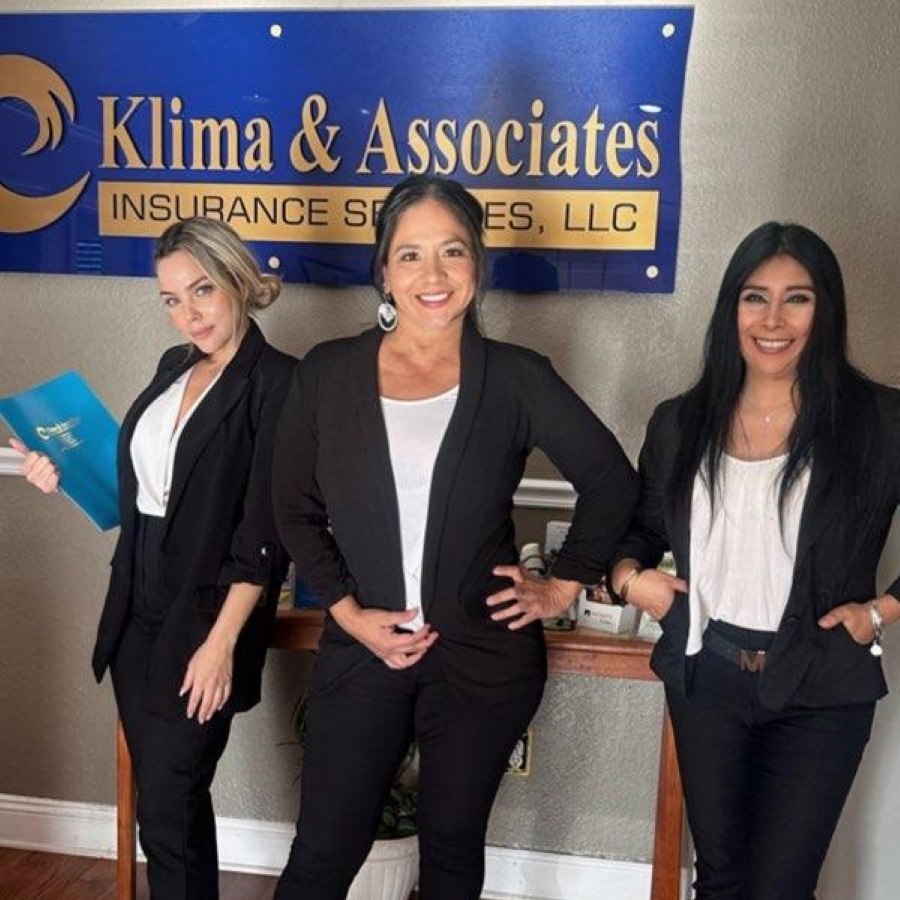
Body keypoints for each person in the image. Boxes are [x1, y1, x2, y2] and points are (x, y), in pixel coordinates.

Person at [270, 175, 638, 900]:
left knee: (450, 849)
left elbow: (612, 480)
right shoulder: (328, 374)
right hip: (362, 647)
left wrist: (563, 583)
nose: (431, 276)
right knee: (323, 852)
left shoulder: (516, 378)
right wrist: (348, 614)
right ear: (383, 269)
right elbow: (292, 508)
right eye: (410, 255)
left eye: (452, 252)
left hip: (484, 659)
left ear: (478, 265)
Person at [609, 222, 900, 900]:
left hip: (821, 689)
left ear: (825, 308)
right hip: (706, 679)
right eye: (753, 297)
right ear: (730, 310)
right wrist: (632, 582)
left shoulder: (878, 422)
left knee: (781, 886)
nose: (772, 320)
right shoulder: (680, 422)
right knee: (721, 880)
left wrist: (880, 612)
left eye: (796, 298)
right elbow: (638, 530)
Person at [11, 216, 296, 900]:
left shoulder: (279, 382)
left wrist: (221, 643)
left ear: (237, 280)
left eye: (201, 290)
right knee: (173, 808)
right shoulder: (176, 367)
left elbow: (266, 529)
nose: (187, 314)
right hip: (136, 611)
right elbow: (140, 489)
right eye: (170, 298)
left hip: (203, 621)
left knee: (166, 814)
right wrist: (60, 474)